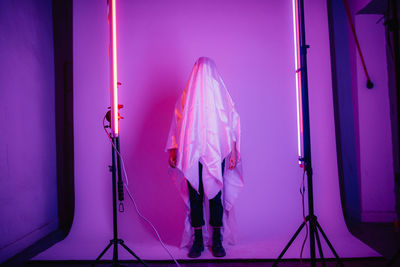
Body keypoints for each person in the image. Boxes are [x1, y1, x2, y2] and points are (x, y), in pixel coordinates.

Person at [166, 57, 243, 258]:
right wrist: (174, 149)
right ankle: (198, 239)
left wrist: (233, 150)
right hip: (192, 151)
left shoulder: (221, 93)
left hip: (216, 150)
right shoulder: (187, 95)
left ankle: (216, 238)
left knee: (216, 192)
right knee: (195, 194)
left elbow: (232, 121)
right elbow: (177, 120)